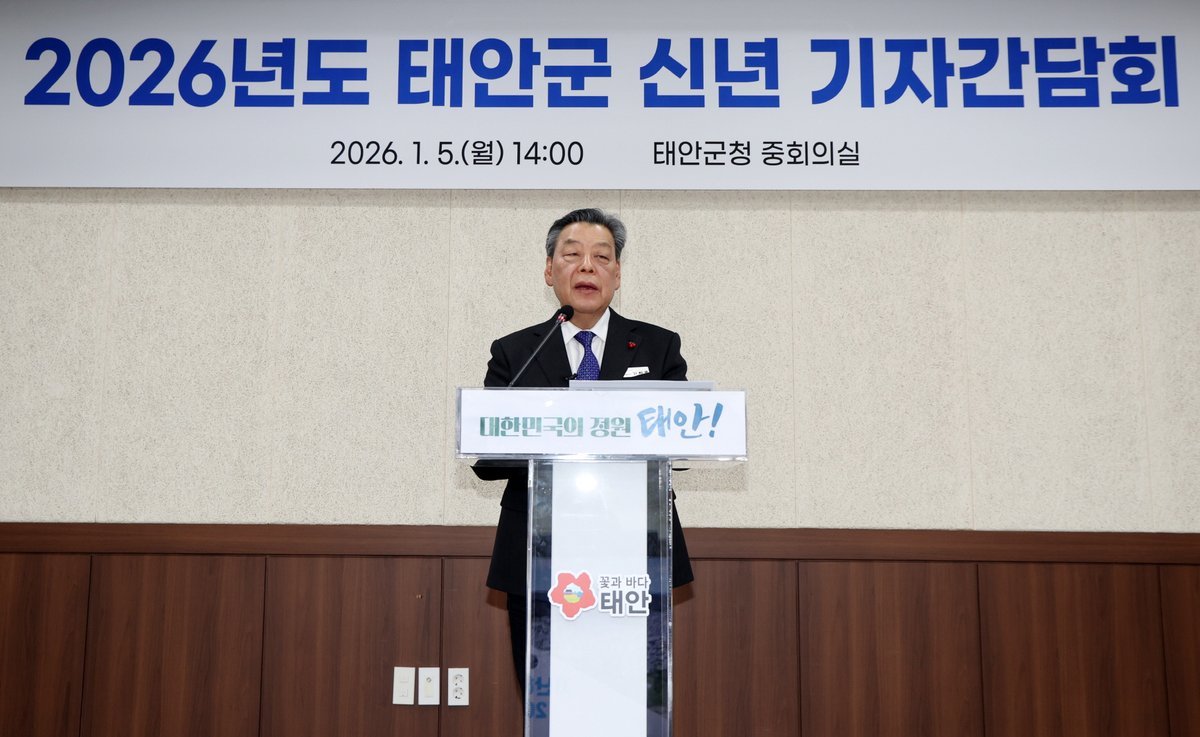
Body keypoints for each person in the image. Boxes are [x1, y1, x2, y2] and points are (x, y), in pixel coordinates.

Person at [474, 207, 695, 687]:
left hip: (633, 546)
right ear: (549, 270)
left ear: (617, 273)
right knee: (546, 692)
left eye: (602, 257)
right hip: (539, 550)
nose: (587, 266)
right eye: (572, 255)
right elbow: (488, 459)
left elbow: (681, 444)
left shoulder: (658, 347)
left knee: (631, 692)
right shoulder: (515, 352)